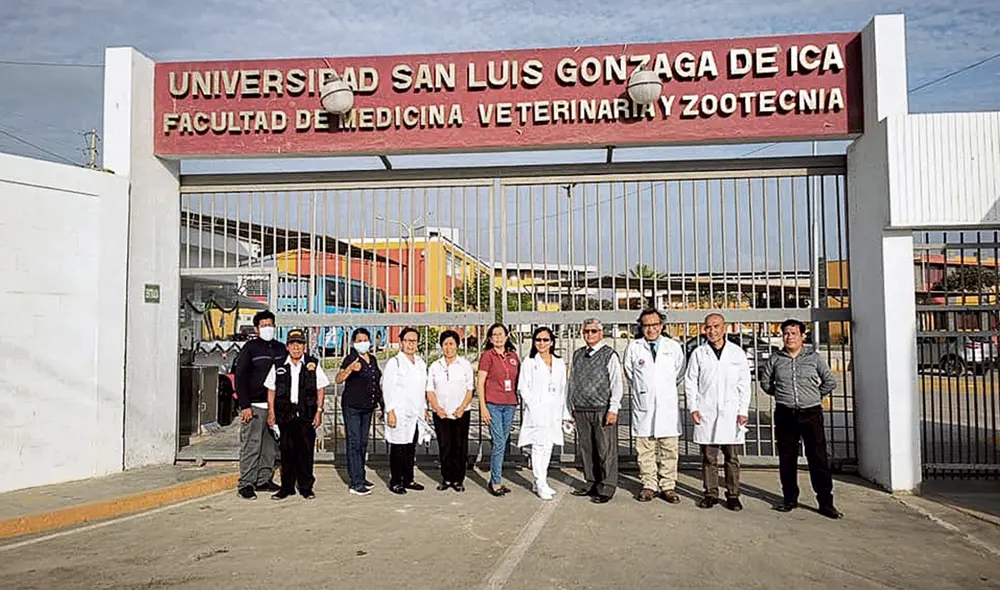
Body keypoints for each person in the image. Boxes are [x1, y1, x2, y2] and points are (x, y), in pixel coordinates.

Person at [760, 319, 842, 519]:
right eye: (786, 333)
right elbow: (765, 382)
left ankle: (825, 502)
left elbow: (829, 381)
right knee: (787, 458)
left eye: (794, 333)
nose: (789, 337)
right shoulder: (776, 359)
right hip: (785, 413)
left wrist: (814, 395)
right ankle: (789, 498)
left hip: (810, 413)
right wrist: (782, 394)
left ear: (802, 336)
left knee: (818, 458)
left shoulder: (813, 358)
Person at [684, 313, 752, 511]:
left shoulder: (736, 353)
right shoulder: (699, 353)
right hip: (707, 411)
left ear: (725, 328)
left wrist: (743, 410)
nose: (712, 331)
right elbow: (691, 382)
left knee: (731, 458)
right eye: (708, 327)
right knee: (709, 457)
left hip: (732, 412)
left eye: (716, 326)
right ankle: (711, 493)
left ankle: (733, 494)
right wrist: (693, 407)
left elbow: (744, 383)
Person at [623, 309, 686, 504]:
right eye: (646, 325)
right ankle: (649, 485)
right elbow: (630, 374)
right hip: (645, 406)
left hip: (666, 407)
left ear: (662, 325)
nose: (651, 329)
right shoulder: (634, 347)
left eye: (654, 325)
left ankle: (668, 486)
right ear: (641, 327)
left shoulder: (673, 347)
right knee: (645, 450)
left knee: (669, 450)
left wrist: (662, 390)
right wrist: (645, 390)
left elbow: (679, 372)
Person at [265, 328, 329, 500]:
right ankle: (286, 487)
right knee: (287, 452)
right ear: (287, 347)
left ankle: (306, 487)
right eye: (293, 344)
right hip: (285, 414)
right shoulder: (278, 365)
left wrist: (319, 411)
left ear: (305, 347)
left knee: (306, 452)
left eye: (299, 344)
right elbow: (271, 389)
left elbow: (320, 388)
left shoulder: (313, 364)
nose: (296, 348)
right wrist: (271, 412)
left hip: (306, 414)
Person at [567, 318, 624, 504]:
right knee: (587, 449)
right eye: (586, 331)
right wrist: (570, 406)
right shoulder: (577, 354)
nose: (589, 334)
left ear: (601, 333)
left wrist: (613, 408)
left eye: (593, 331)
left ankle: (607, 486)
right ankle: (591, 482)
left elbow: (616, 383)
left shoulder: (610, 355)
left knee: (605, 450)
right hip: (581, 408)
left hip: (602, 408)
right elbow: (572, 381)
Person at [232, 310, 287, 500]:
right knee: (251, 445)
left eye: (270, 325)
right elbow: (240, 378)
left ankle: (264, 479)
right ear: (256, 329)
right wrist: (244, 405)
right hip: (254, 406)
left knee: (270, 446)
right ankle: (246, 483)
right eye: (263, 325)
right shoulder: (250, 348)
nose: (267, 328)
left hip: (274, 407)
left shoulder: (281, 349)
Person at [517, 326, 569, 501]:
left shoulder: (559, 362)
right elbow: (522, 387)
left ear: (552, 342)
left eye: (545, 340)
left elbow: (564, 387)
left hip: (554, 410)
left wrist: (564, 413)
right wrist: (534, 405)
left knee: (548, 447)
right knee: (538, 447)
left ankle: (542, 480)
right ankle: (539, 482)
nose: (541, 343)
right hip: (537, 410)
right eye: (538, 340)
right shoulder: (529, 362)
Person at [334, 327, 383, 496]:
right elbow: (338, 379)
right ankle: (355, 482)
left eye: (365, 340)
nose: (363, 343)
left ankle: (360, 475)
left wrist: (381, 406)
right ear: (354, 343)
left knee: (362, 443)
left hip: (367, 407)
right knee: (354, 443)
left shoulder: (373, 359)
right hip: (352, 407)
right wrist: (349, 370)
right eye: (359, 340)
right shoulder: (351, 358)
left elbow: (376, 383)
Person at [381, 327, 430, 495]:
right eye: (408, 341)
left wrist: (424, 408)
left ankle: (409, 478)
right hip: (399, 412)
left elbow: (422, 388)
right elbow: (387, 388)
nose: (411, 344)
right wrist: (390, 411)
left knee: (411, 447)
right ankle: (396, 480)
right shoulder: (394, 363)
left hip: (415, 412)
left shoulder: (421, 363)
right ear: (401, 342)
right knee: (398, 447)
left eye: (414, 341)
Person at [426, 330, 475, 492]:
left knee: (460, 446)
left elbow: (470, 389)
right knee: (445, 446)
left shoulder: (464, 365)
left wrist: (461, 408)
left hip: (461, 412)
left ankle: (458, 479)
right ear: (441, 346)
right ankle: (447, 478)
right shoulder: (435, 366)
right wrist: (437, 408)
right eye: (445, 344)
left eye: (451, 344)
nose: (448, 348)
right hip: (441, 413)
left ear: (457, 346)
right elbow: (430, 389)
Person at [476, 323, 521, 497]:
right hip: (493, 404)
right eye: (494, 335)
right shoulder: (487, 356)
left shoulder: (513, 356)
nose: (498, 338)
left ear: (507, 335)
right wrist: (483, 408)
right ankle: (495, 482)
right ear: (489, 338)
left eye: (500, 334)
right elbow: (480, 382)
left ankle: (496, 477)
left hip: (509, 404)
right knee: (499, 442)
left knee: (501, 443)